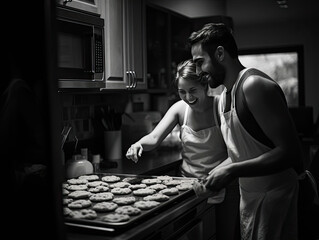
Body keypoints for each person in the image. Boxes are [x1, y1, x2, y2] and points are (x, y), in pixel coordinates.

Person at [189, 23, 304, 239]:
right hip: (249, 199)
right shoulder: (223, 97)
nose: (197, 72)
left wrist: (232, 171)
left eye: (199, 62)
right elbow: (243, 152)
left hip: (278, 199)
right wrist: (214, 173)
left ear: (220, 53)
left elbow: (290, 152)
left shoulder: (253, 85)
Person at [126, 59, 240, 240]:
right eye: (182, 92)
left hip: (223, 185)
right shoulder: (180, 109)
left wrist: (214, 176)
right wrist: (138, 144)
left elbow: (237, 152)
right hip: (188, 188)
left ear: (205, 86)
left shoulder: (221, 106)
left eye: (193, 90)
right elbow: (154, 138)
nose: (188, 97)